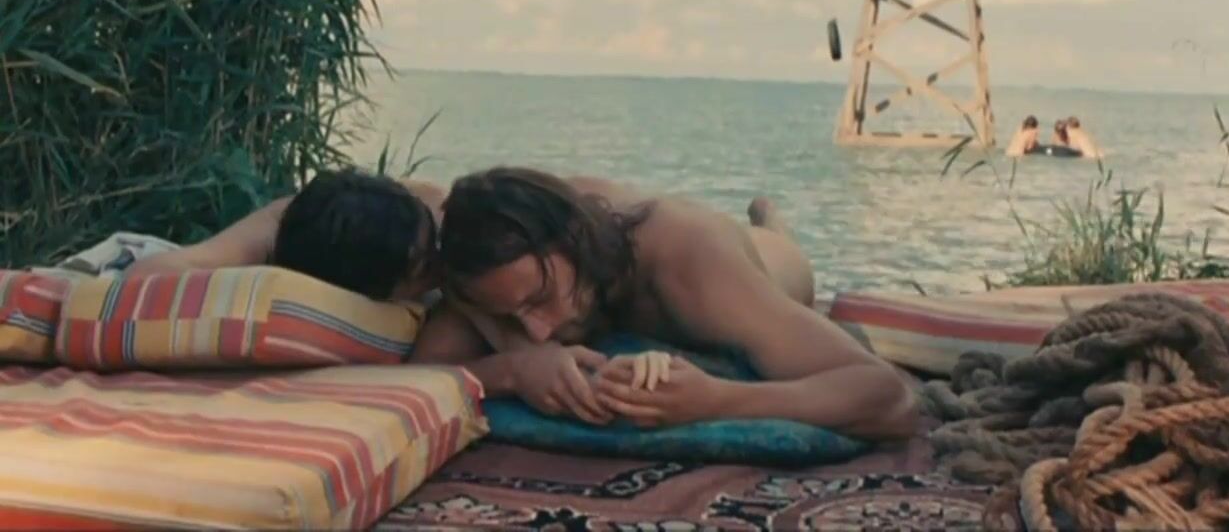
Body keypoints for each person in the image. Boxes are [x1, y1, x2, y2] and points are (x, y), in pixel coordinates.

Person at [411, 166, 919, 440]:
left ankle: (772, 222)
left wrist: (716, 401)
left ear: (576, 240)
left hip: (770, 266)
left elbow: (889, 398)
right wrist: (513, 369)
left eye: (541, 300)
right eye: (511, 317)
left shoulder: (687, 262)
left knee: (777, 258)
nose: (538, 332)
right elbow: (416, 374)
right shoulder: (497, 266)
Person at [126, 168, 446, 302]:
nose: (443, 262)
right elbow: (142, 279)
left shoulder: (433, 210)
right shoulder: (270, 236)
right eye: (425, 267)